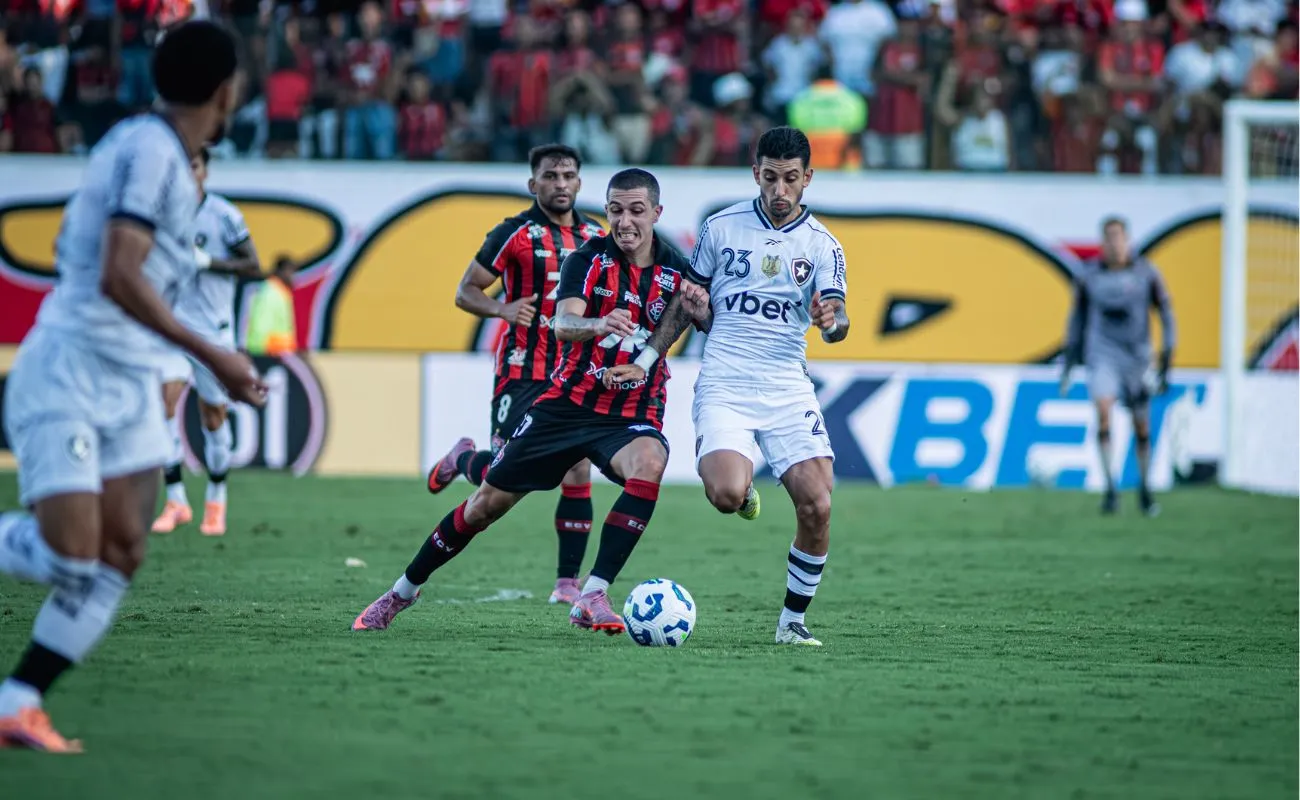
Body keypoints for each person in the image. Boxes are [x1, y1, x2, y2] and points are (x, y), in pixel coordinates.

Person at [0, 20, 265, 752]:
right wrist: (214, 352)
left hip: (131, 374)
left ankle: (19, 702)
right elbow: (120, 273)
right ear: (227, 90)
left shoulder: (170, 159)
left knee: (122, 551)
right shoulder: (151, 152)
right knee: (69, 558)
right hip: (74, 368)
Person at [354, 168, 691, 636]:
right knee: (483, 506)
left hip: (631, 410)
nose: (625, 221)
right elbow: (562, 325)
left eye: (637, 210)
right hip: (566, 405)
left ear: (657, 212)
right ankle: (401, 592)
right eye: (616, 209)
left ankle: (592, 590)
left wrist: (658, 349)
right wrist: (596, 325)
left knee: (650, 462)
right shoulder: (587, 260)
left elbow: (693, 313)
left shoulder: (679, 269)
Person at [603, 127, 850, 647]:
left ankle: (791, 623)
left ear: (807, 178)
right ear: (755, 173)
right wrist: (647, 358)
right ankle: (743, 485)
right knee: (725, 493)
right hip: (726, 382)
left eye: (789, 179)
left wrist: (831, 322)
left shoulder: (824, 246)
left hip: (787, 387)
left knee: (818, 506)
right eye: (769, 177)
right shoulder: (720, 228)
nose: (778, 189)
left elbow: (837, 320)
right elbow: (688, 302)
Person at [423, 144, 606, 606]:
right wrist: (502, 307)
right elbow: (466, 292)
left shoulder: (594, 235)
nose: (560, 184)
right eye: (550, 176)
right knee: (505, 478)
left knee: (578, 466)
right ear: (533, 184)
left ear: (580, 183)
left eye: (568, 175)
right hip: (521, 372)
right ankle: (463, 458)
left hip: (571, 374)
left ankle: (567, 583)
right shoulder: (514, 234)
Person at [152, 147, 263, 538]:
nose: (187, 173)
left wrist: (208, 262)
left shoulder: (225, 216)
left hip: (213, 332)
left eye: (194, 166)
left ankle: (216, 498)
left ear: (205, 172)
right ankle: (176, 499)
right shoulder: (162, 212)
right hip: (172, 326)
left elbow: (254, 266)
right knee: (162, 406)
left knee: (212, 418)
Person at [1060, 216, 1175, 516]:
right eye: (1108, 238)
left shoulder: (1146, 273)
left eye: (1118, 237)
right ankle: (1110, 488)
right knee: (1103, 412)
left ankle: (1145, 488)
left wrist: (1167, 357)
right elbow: (1077, 320)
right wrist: (1069, 364)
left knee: (1141, 425)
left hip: (1138, 356)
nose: (1114, 243)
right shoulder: (1089, 277)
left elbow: (1165, 312)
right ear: (1102, 242)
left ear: (1127, 240)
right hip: (1102, 354)